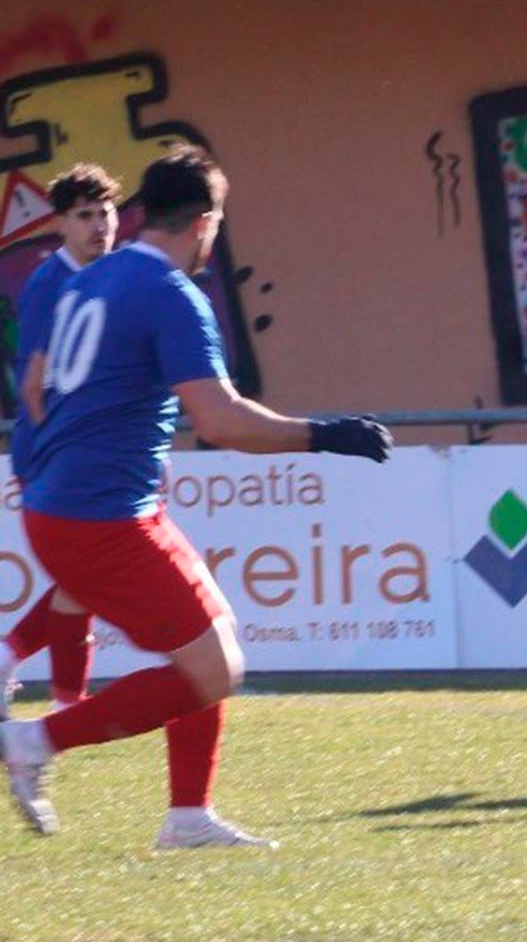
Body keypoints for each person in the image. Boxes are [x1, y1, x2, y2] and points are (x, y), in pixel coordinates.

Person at [0, 147, 393, 844]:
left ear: (143, 213)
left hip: (78, 503)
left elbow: (40, 386)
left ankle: (188, 816)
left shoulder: (97, 277)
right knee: (216, 668)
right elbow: (220, 420)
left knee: (214, 639)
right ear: (205, 222)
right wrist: (327, 434)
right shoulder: (171, 293)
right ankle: (32, 742)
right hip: (101, 513)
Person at [1, 164, 116, 715]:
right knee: (86, 577)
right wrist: (61, 456)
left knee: (84, 579)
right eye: (85, 215)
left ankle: (59, 697)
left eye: (105, 213)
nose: (99, 225)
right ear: (62, 224)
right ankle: (64, 702)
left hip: (82, 453)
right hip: (52, 454)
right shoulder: (53, 283)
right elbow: (34, 386)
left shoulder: (105, 276)